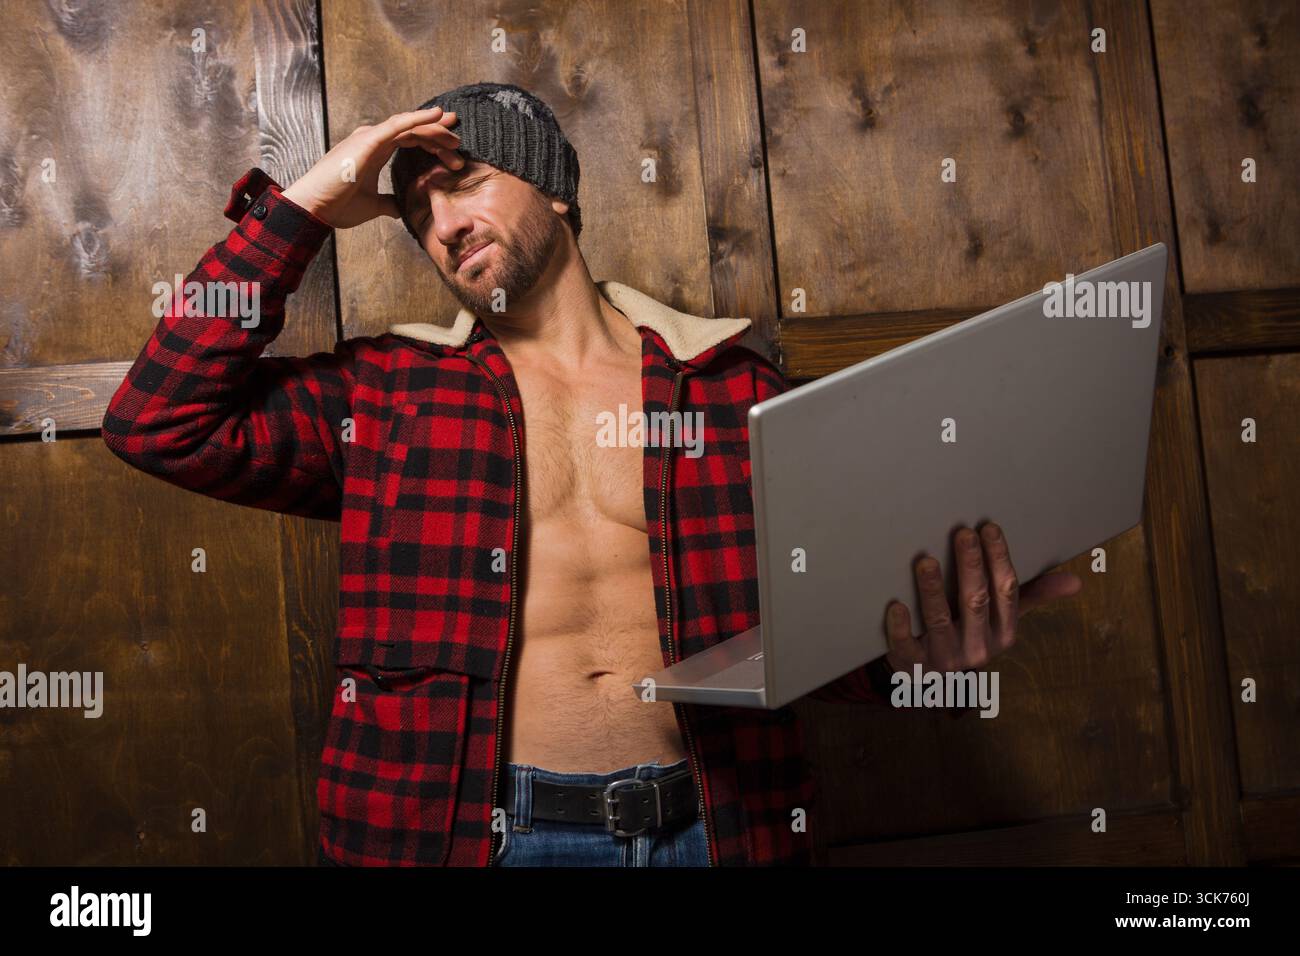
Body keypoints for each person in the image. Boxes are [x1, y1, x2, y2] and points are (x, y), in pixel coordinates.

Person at [102, 82, 1081, 867]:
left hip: (714, 823)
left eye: (465, 178)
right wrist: (304, 205)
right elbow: (157, 418)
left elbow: (815, 643)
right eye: (415, 207)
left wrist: (919, 653)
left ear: (555, 190)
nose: (440, 221)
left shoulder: (729, 393)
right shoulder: (388, 394)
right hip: (470, 838)